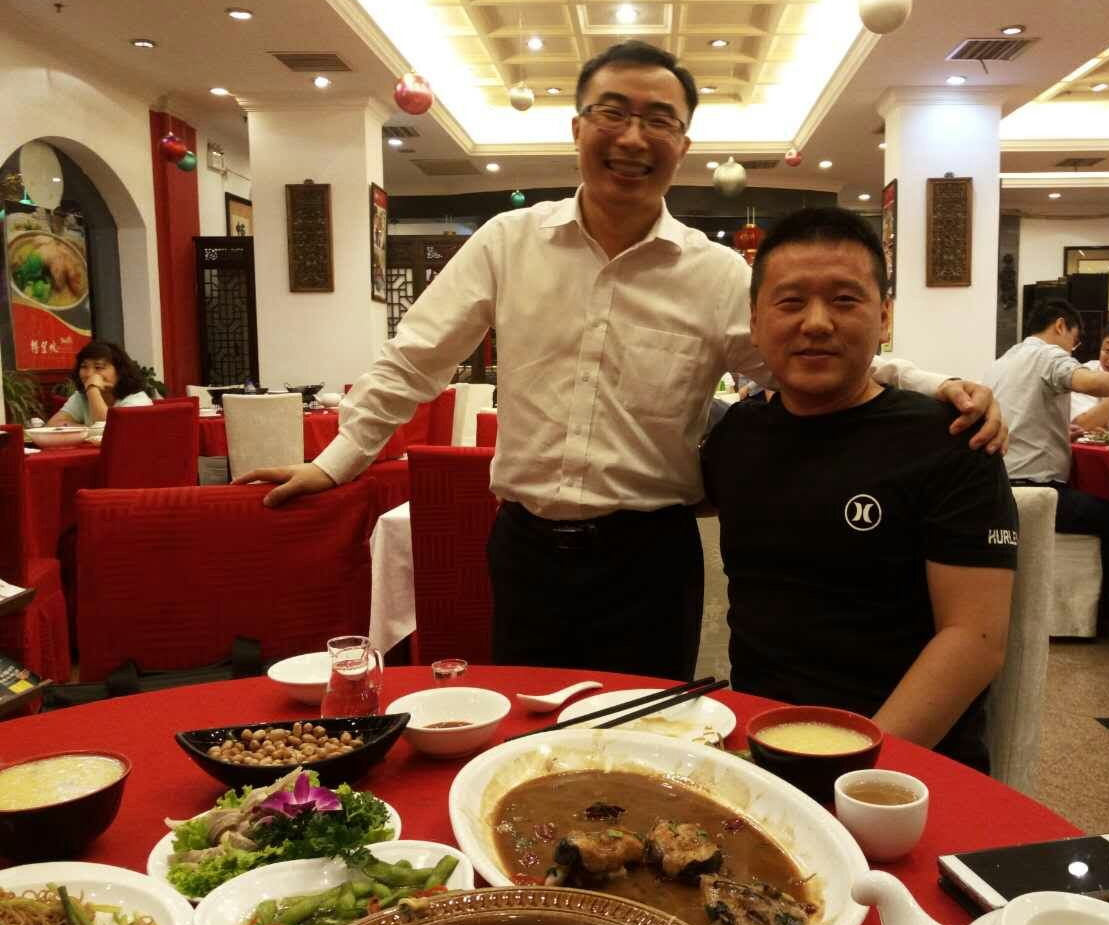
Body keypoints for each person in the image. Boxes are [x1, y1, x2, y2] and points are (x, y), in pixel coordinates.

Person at [237, 40, 1007, 680]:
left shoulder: (715, 275)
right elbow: (414, 361)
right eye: (613, 113)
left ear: (683, 145)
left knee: (643, 745)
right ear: (578, 127)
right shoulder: (509, 243)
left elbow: (807, 357)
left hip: (650, 560)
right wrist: (335, 462)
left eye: (659, 121)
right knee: (530, 732)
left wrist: (934, 385)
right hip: (526, 548)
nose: (634, 138)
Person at [700, 208, 1017, 772]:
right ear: (755, 321)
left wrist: (854, 767)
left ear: (884, 317)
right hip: (758, 742)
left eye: (845, 300)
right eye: (790, 302)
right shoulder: (738, 435)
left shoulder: (950, 439)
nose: (817, 323)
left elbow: (974, 640)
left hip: (904, 765)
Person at [985, 299, 1109, 540]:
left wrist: (1060, 433)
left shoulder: (1003, 361)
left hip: (997, 489)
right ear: (1060, 326)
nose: (1072, 350)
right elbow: (1090, 383)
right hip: (1036, 491)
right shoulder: (1048, 354)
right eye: (1074, 341)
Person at [47, 341, 152, 427]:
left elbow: (107, 432)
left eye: (98, 367)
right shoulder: (81, 396)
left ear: (120, 371)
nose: (89, 374)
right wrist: (86, 429)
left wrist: (92, 389)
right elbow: (53, 424)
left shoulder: (136, 400)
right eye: (84, 367)